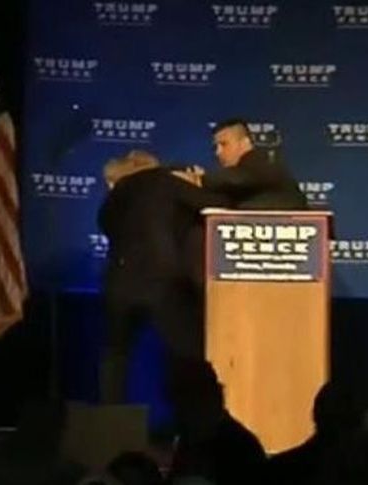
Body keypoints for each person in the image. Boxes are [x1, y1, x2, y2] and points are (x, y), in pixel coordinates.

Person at [98, 150, 229, 403]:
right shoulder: (166, 182)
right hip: (163, 283)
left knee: (116, 354)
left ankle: (109, 417)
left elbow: (104, 223)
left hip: (119, 284)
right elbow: (214, 204)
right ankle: (193, 413)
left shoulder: (118, 193)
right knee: (186, 353)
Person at [176, 118, 308, 210]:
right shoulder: (233, 182)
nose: (218, 152)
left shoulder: (261, 163)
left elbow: (239, 178)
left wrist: (199, 180)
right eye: (216, 147)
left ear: (245, 143)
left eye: (224, 144)